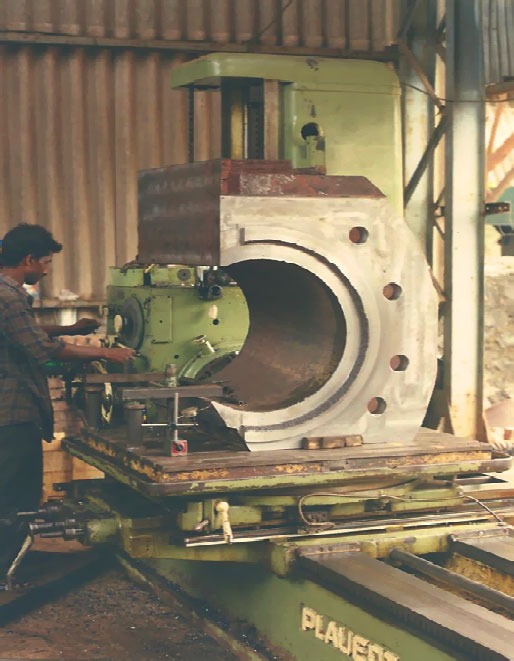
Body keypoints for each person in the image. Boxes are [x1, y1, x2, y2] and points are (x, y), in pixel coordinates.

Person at [0, 223, 135, 576]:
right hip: (12, 414)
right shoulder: (9, 296)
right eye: (45, 262)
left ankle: (11, 561)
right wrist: (106, 353)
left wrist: (70, 330)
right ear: (28, 260)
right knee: (17, 496)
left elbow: (21, 332)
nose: (46, 270)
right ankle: (6, 570)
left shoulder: (6, 294)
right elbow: (42, 349)